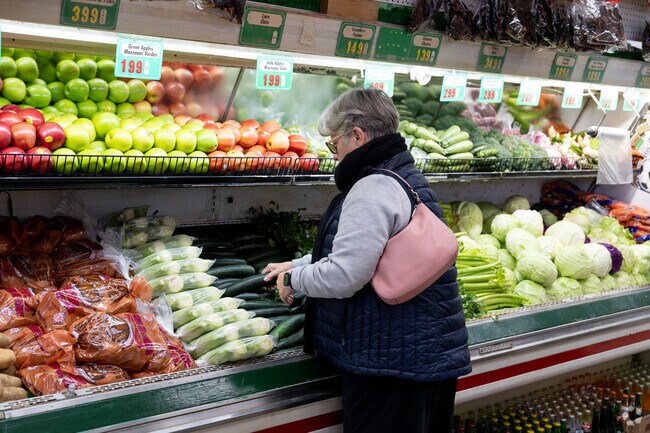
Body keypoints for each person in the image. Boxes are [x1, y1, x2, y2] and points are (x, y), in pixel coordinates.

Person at [263, 88, 471, 433]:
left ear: (357, 135)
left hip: (390, 368)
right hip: (420, 356)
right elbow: (380, 253)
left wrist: (294, 281)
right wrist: (301, 264)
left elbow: (346, 275)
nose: (334, 155)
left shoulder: (372, 187)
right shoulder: (404, 175)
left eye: (334, 145)